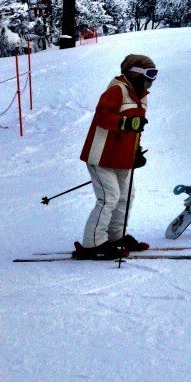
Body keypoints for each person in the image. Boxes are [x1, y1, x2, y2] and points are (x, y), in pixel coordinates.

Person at [74, 54, 155, 260]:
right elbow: (102, 116)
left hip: (123, 157)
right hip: (102, 155)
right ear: (134, 74)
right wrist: (125, 123)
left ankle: (115, 237)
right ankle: (92, 243)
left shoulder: (142, 97)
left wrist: (136, 151)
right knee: (108, 198)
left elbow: (137, 128)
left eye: (154, 75)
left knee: (126, 197)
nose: (151, 81)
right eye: (149, 75)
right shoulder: (117, 89)